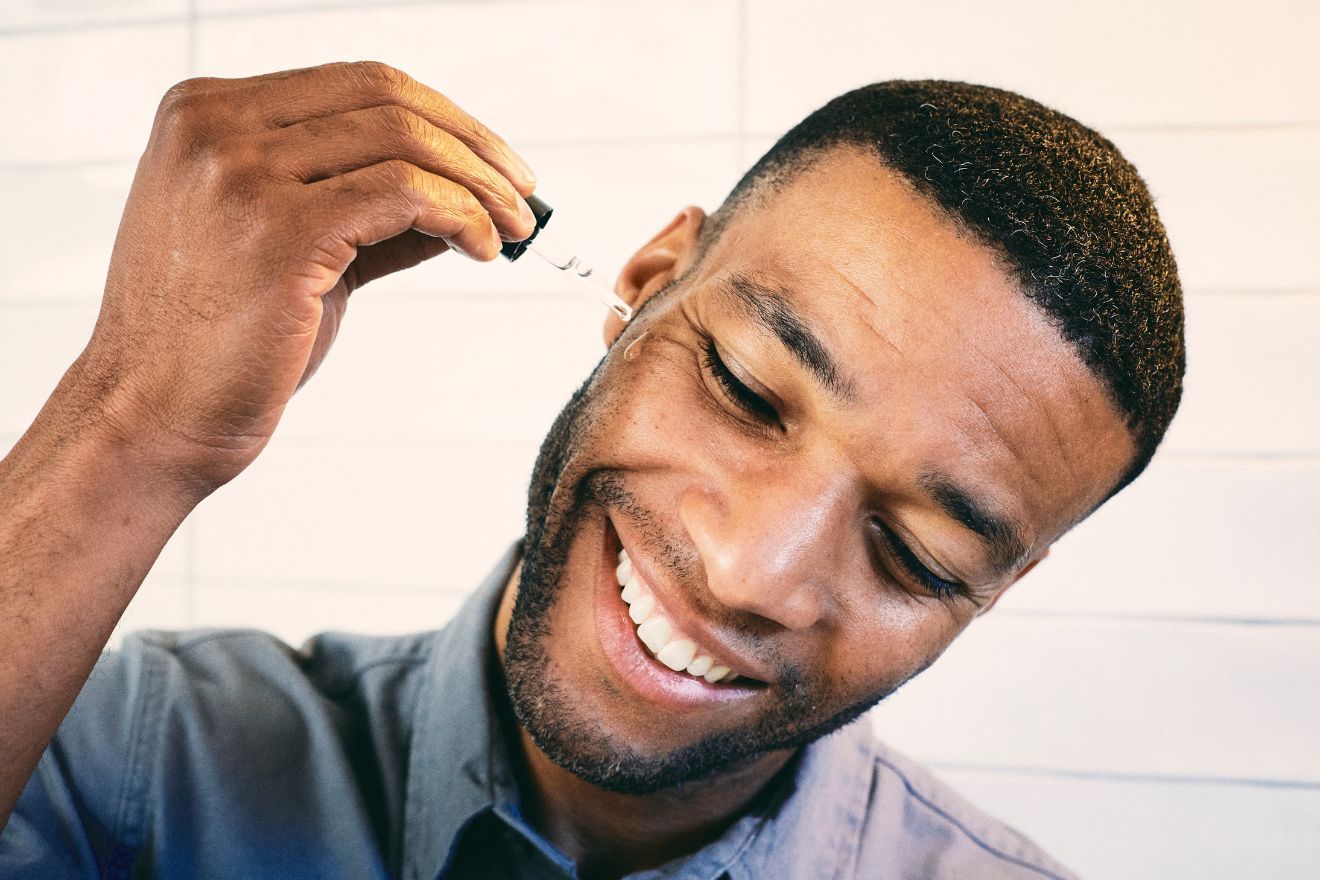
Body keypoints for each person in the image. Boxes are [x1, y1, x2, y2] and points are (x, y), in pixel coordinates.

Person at [0, 62, 1183, 879]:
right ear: (646, 278)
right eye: (746, 388)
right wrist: (132, 430)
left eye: (916, 552)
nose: (746, 569)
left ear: (998, 589)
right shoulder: (131, 764)